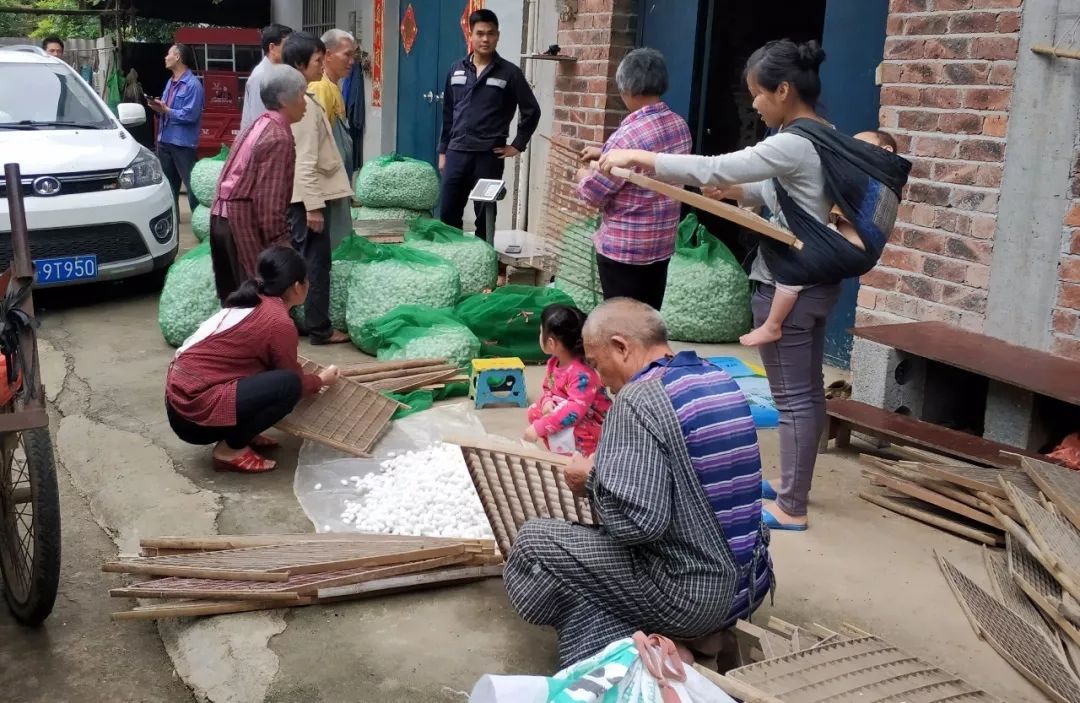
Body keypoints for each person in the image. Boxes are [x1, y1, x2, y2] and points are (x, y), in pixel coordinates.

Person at [598, 39, 840, 531]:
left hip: (789, 283)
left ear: (785, 89)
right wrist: (739, 194)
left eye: (758, 94)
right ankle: (792, 483)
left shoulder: (793, 140)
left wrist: (639, 156)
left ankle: (792, 506)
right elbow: (781, 193)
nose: (753, 103)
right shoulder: (823, 135)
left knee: (792, 397)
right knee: (806, 392)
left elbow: (714, 165)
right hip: (817, 278)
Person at [505, 298, 773, 666]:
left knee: (534, 542)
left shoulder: (638, 399)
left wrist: (591, 481)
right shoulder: (717, 377)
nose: (600, 380)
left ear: (621, 346)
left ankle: (655, 647)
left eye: (598, 365)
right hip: (751, 584)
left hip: (698, 596)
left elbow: (638, 524)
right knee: (589, 572)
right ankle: (661, 640)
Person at [166, 247, 340, 474]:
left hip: (179, 401)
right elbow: (294, 381)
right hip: (192, 417)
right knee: (289, 385)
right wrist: (320, 380)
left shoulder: (255, 297)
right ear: (297, 287)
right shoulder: (278, 322)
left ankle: (240, 432)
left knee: (274, 375)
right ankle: (230, 450)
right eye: (306, 280)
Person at [736, 129, 896, 347]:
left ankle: (773, 325)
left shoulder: (872, 176)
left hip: (849, 245)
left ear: (886, 151)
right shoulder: (884, 180)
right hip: (849, 245)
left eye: (862, 146)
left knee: (792, 270)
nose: (852, 152)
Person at [576, 49, 692, 310]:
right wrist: (604, 152)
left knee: (621, 324)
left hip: (624, 251)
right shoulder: (679, 125)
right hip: (660, 244)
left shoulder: (627, 136)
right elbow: (644, 165)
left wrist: (583, 176)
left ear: (627, 88)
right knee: (648, 320)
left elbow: (593, 194)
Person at [438, 9, 541, 242]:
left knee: (484, 217)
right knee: (447, 214)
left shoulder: (510, 73)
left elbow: (531, 111)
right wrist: (443, 151)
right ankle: (451, 263)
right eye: (480, 33)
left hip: (488, 156)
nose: (485, 39)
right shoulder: (456, 70)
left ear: (498, 36)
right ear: (470, 35)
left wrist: (517, 145)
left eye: (491, 34)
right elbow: (447, 114)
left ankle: (482, 265)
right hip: (457, 153)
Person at [209, 64, 307, 304]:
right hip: (242, 224)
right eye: (303, 96)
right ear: (286, 100)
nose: (305, 104)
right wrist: (284, 251)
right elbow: (269, 206)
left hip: (221, 218)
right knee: (257, 300)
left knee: (233, 299)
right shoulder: (278, 137)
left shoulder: (258, 123)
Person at [283, 32, 351, 345]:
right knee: (316, 262)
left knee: (304, 259)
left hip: (299, 196)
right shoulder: (302, 104)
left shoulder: (295, 97)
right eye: (317, 61)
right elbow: (304, 159)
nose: (321, 66)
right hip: (305, 199)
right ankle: (319, 328)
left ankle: (294, 323)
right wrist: (313, 205)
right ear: (299, 64)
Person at [524, 304, 611, 456]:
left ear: (551, 343)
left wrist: (540, 427)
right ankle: (560, 445)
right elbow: (548, 388)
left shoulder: (582, 374)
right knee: (534, 411)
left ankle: (579, 456)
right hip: (566, 410)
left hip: (590, 421)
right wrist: (547, 401)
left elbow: (574, 411)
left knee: (576, 430)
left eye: (540, 332)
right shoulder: (554, 362)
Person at [150, 43, 205, 215]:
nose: (166, 57)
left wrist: (167, 110)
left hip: (183, 144)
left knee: (192, 185)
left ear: (178, 57)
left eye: (169, 54)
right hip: (165, 140)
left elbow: (191, 115)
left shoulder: (193, 85)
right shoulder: (170, 82)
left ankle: (200, 222)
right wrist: (158, 107)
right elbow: (167, 109)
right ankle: (171, 221)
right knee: (168, 187)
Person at [311, 29, 357, 177]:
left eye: (353, 55)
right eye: (347, 55)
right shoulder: (320, 87)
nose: (352, 61)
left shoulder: (334, 87)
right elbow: (315, 140)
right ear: (328, 55)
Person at [240, 23, 294, 132]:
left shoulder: (276, 72)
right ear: (272, 47)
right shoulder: (261, 76)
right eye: (287, 46)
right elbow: (260, 121)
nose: (292, 51)